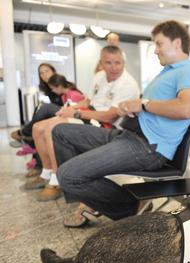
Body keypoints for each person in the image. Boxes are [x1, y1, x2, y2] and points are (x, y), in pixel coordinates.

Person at [53, 20, 190, 227]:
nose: (155, 50)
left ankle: (130, 207)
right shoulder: (168, 71)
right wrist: (132, 107)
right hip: (128, 135)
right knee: (61, 131)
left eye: (159, 44)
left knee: (67, 175)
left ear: (176, 43)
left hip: (146, 148)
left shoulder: (187, 71)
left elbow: (187, 108)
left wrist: (143, 105)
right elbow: (152, 107)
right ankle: (93, 197)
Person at [23, 45, 140, 202]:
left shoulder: (128, 84)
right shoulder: (99, 76)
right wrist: (71, 107)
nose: (113, 67)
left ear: (123, 62)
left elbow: (108, 117)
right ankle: (45, 173)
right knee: (38, 127)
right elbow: (87, 100)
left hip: (107, 127)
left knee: (52, 129)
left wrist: (76, 113)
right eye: (108, 63)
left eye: (117, 63)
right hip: (89, 115)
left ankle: (55, 181)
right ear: (101, 63)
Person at [10, 63, 62, 144]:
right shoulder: (46, 87)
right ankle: (31, 136)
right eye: (41, 73)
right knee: (39, 107)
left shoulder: (59, 82)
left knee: (46, 107)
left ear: (53, 71)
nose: (45, 75)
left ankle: (25, 132)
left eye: (47, 71)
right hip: (58, 111)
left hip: (66, 110)